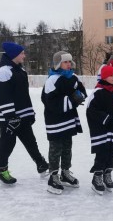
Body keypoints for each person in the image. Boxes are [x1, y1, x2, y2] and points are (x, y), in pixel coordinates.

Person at [0, 42, 48, 184]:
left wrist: (29, 113)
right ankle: (2, 170)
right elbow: (1, 96)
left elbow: (23, 96)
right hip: (9, 118)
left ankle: (41, 164)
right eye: (22, 53)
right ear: (14, 55)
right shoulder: (4, 71)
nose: (24, 55)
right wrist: (10, 116)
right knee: (7, 143)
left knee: (30, 141)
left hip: (22, 115)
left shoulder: (20, 71)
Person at [41, 51, 87, 194]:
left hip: (68, 118)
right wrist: (72, 99)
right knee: (56, 148)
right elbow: (49, 101)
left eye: (69, 61)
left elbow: (82, 91)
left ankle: (65, 173)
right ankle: (53, 177)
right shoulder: (52, 80)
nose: (68, 64)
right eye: (65, 62)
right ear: (57, 64)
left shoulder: (73, 77)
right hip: (55, 120)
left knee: (67, 146)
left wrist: (78, 96)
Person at [86, 65, 113, 195]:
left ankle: (107, 173)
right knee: (102, 152)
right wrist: (107, 119)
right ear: (104, 77)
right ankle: (97, 176)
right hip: (101, 130)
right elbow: (91, 110)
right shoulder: (97, 92)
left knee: (111, 152)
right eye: (111, 75)